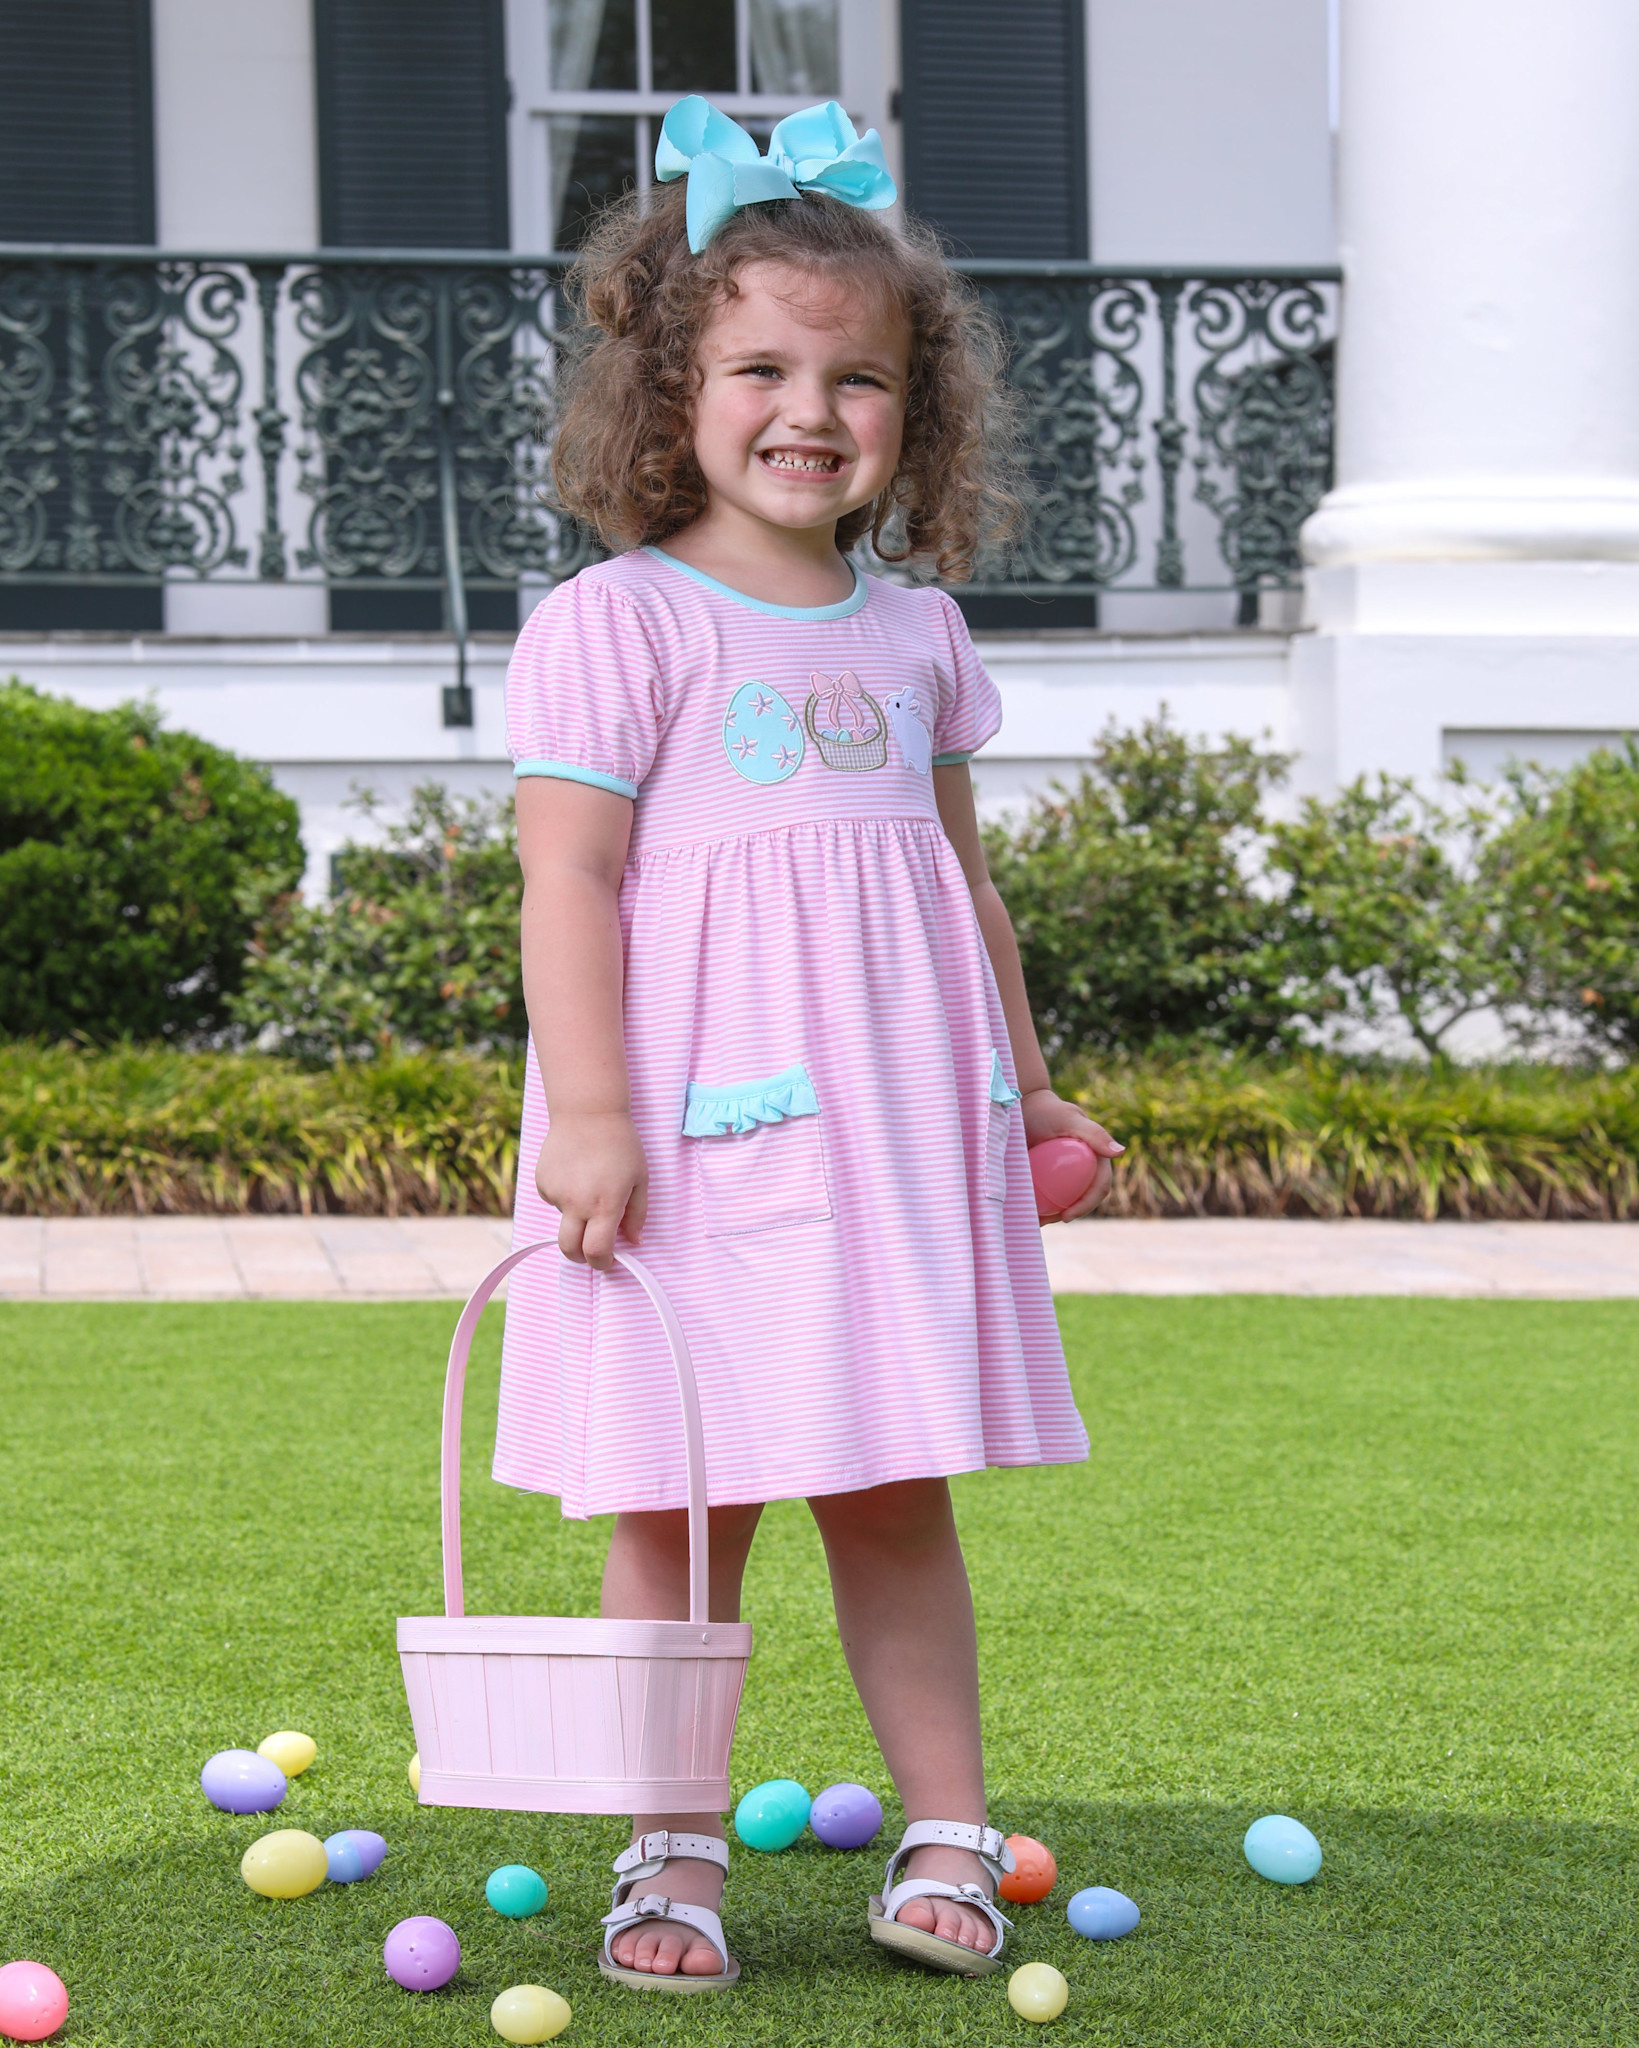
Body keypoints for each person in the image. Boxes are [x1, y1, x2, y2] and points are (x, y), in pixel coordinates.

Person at [498, 96, 1123, 1993]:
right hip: (686, 1143)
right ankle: (669, 1846)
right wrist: (587, 1116)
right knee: (680, 1504)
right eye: (761, 369)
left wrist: (1027, 1085)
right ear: (669, 393)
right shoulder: (619, 625)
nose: (810, 411)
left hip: (891, 1139)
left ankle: (948, 1821)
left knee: (889, 1484)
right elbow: (568, 881)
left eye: (859, 379)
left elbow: (962, 881)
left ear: (913, 414)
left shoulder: (916, 635)